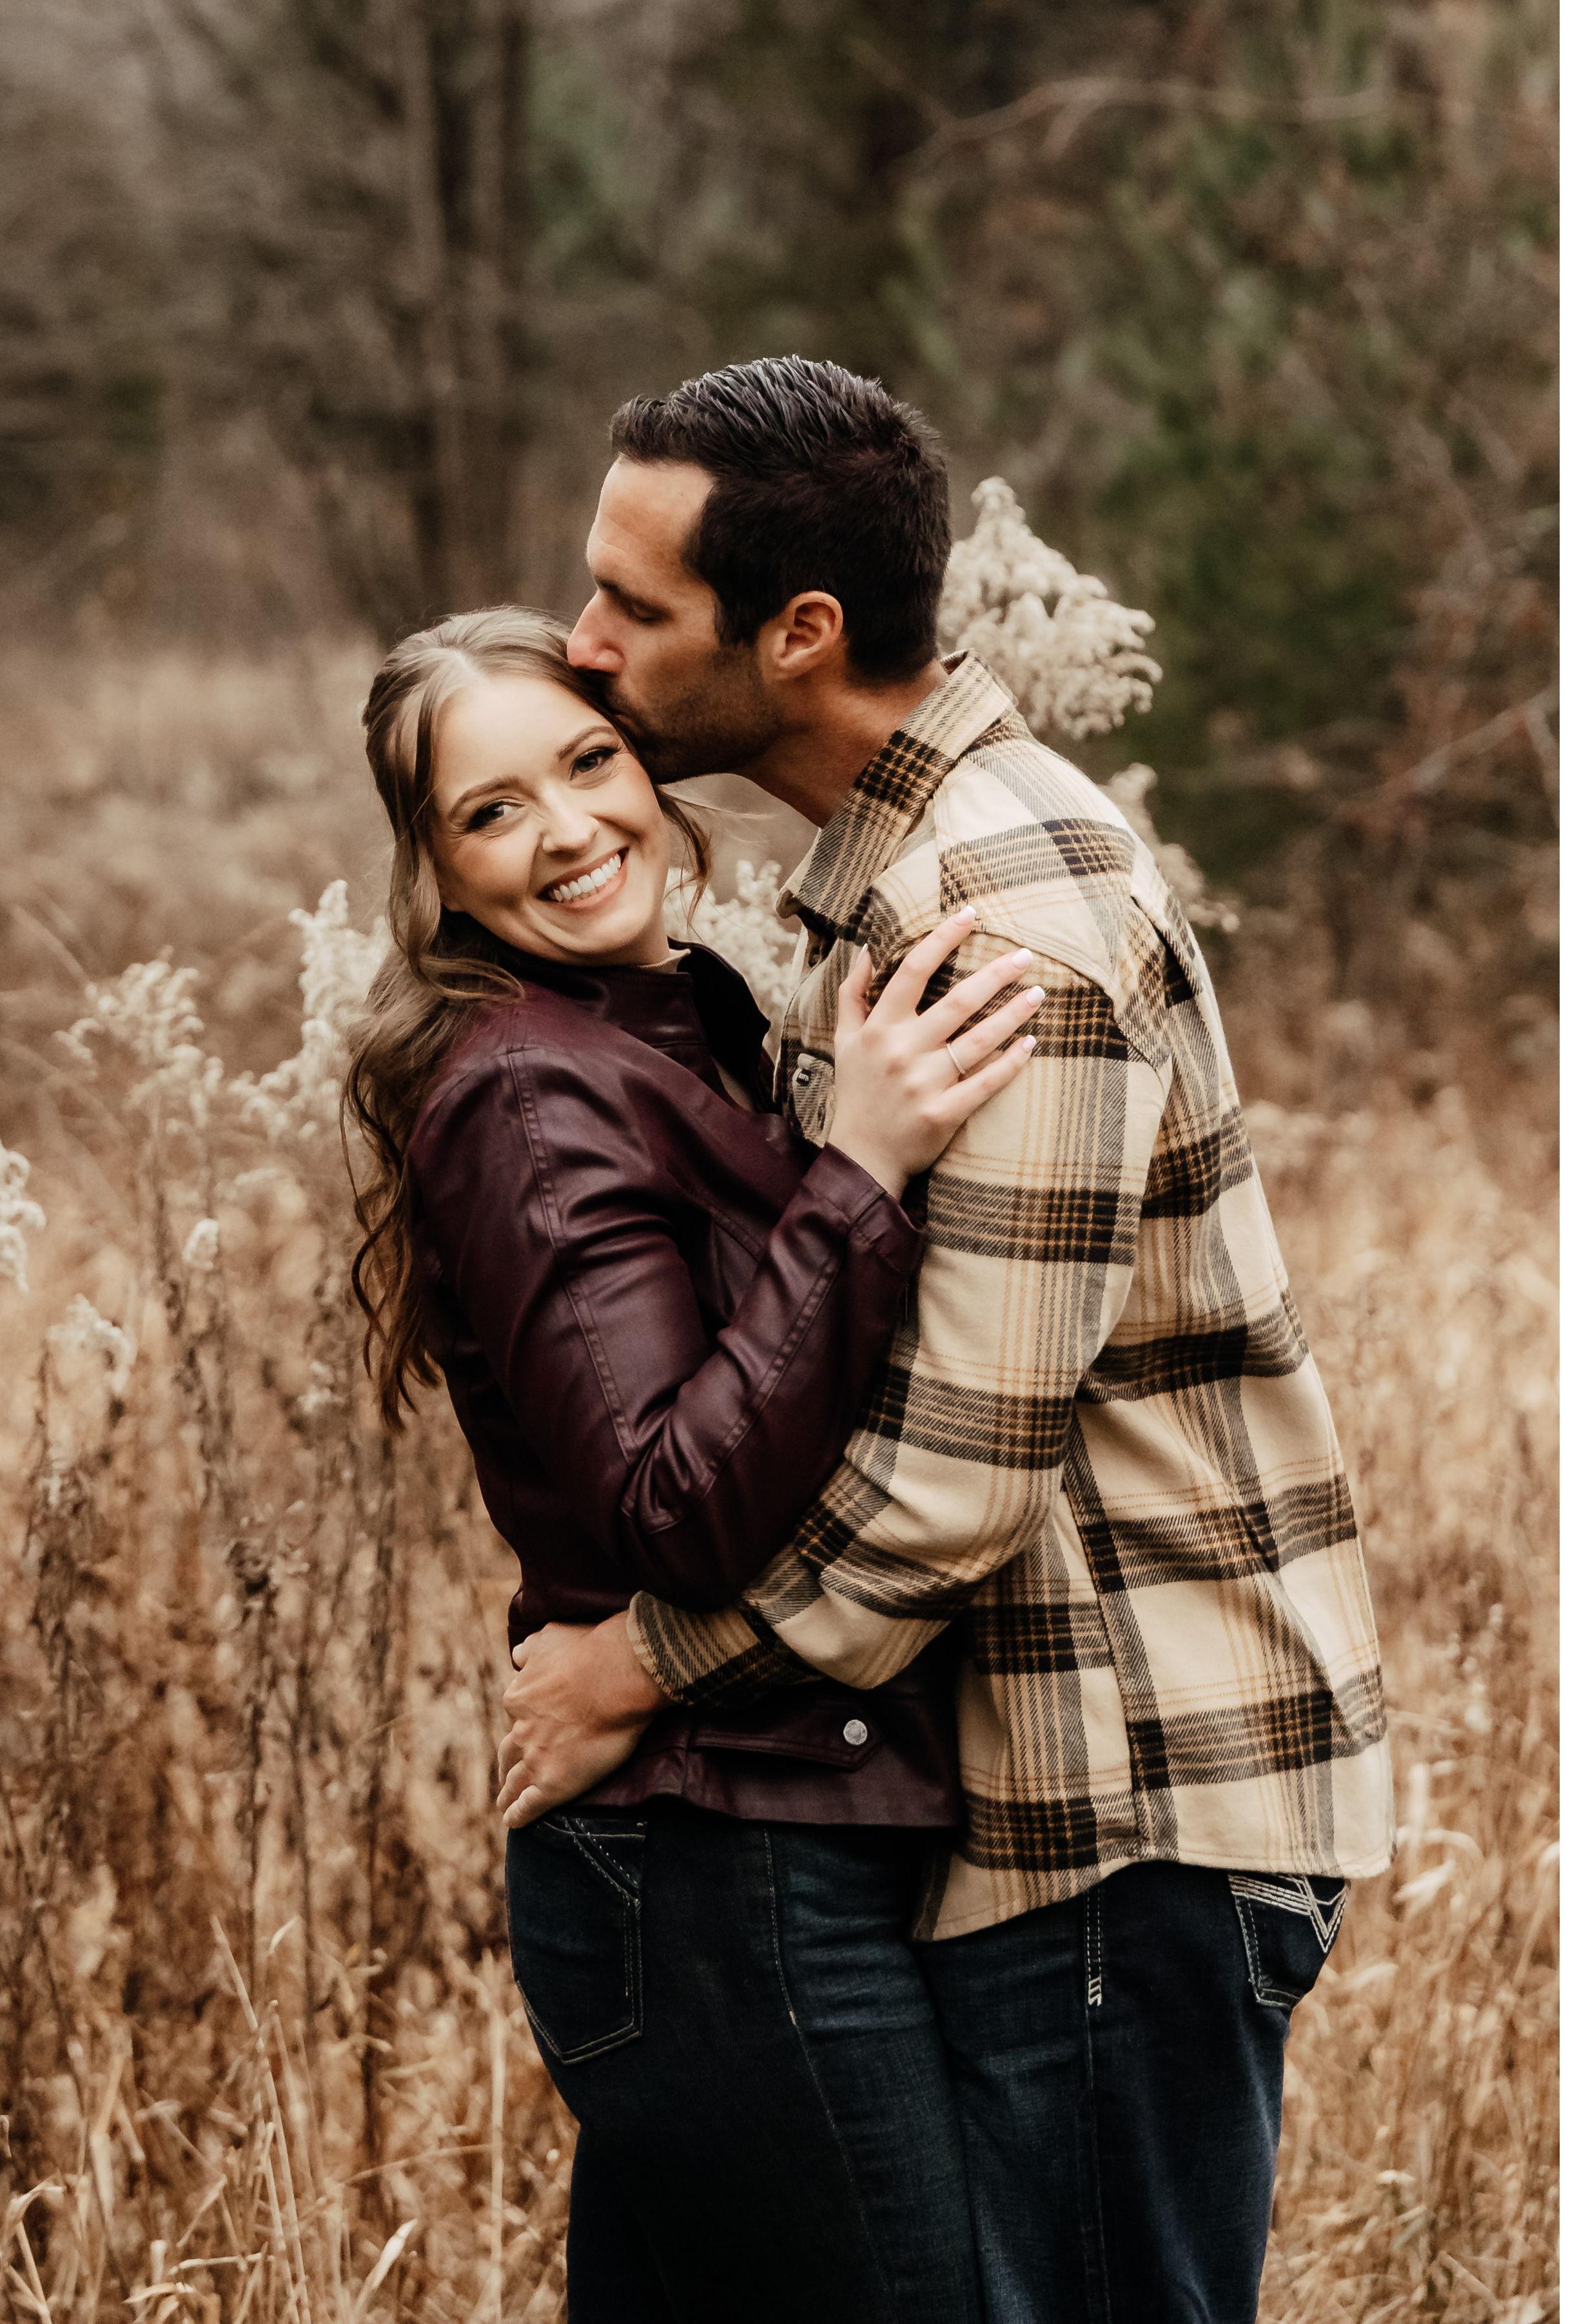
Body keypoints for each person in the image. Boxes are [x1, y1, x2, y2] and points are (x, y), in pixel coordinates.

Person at [497, 358, 1395, 2324]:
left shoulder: (999, 929)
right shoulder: (910, 879)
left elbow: (956, 1486)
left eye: (634, 604)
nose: (584, 646)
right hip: (1051, 1801)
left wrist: (642, 1663)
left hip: (1126, 1798)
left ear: (800, 635)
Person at [341, 607, 1046, 2324]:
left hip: (761, 1832)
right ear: (435, 875)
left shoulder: (683, 1020)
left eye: (587, 762)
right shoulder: (530, 1094)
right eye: (491, 812)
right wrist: (860, 1172)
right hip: (717, 1866)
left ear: (647, 767)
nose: (568, 830)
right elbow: (674, 1500)